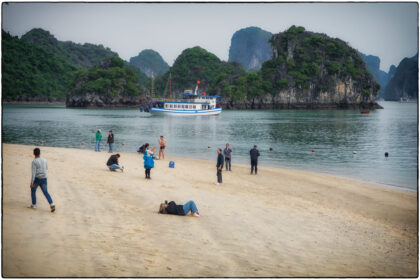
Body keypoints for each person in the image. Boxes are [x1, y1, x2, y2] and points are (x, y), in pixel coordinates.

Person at [28, 148, 55, 212]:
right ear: (40, 153)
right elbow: (46, 168)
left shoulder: (34, 161)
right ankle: (52, 204)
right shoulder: (44, 160)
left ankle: (34, 204)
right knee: (46, 192)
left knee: (33, 190)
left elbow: (33, 173)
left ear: (33, 153)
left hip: (37, 179)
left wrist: (31, 182)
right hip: (44, 178)